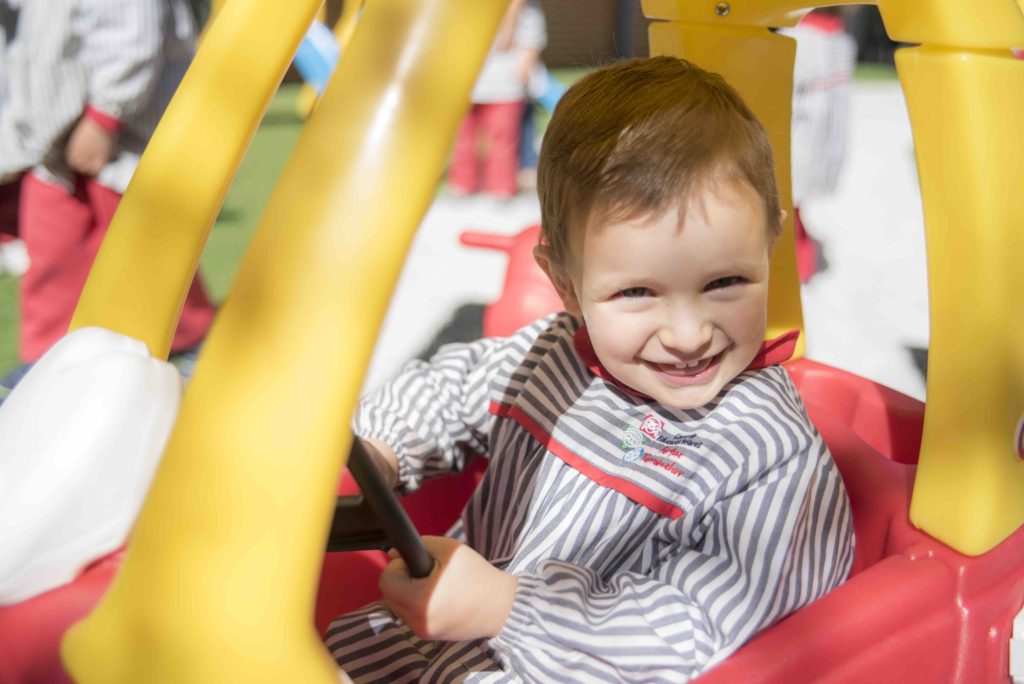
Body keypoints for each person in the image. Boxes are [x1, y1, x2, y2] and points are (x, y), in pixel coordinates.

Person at [328, 56, 854, 682]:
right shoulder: (554, 355)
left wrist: (506, 608)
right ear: (565, 284)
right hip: (429, 647)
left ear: (770, 246)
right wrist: (383, 450)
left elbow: (691, 635)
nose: (688, 334)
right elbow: (450, 389)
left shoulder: (767, 454)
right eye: (636, 293)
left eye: (725, 282)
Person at [0, 0, 215, 379]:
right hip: (52, 134)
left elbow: (132, 35)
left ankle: (49, 360)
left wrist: (104, 117)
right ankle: (57, 356)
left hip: (111, 137)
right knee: (97, 248)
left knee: (130, 243)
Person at [779, 9, 857, 282]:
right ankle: (802, 261)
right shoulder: (841, 37)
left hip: (800, 134)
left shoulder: (799, 36)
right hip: (824, 137)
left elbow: (783, 79)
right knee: (794, 204)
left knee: (786, 206)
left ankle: (797, 267)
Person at [447, 0, 547, 199]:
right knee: (464, 138)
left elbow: (532, 38)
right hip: (468, 83)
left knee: (502, 138)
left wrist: (526, 65)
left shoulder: (527, 10)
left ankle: (500, 188)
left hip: (505, 86)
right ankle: (462, 185)